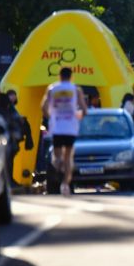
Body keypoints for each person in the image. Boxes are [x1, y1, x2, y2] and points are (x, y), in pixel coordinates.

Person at [41, 67, 87, 196]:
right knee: (68, 158)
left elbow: (43, 107)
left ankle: (59, 167)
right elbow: (84, 110)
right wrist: (78, 116)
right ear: (71, 77)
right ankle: (65, 184)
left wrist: (51, 117)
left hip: (56, 127)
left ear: (59, 76)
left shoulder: (52, 89)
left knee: (56, 158)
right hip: (70, 128)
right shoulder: (76, 90)